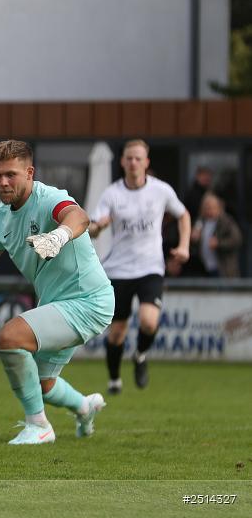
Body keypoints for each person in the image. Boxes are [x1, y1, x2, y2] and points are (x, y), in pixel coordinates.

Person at [0, 140, 112, 445]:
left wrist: (59, 235)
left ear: (29, 173)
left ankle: (38, 426)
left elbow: (79, 217)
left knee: (10, 337)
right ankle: (84, 407)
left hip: (88, 301)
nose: (3, 182)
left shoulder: (49, 198)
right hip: (59, 304)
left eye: (11, 174)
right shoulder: (1, 217)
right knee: (43, 384)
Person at [88, 139, 190, 394]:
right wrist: (98, 226)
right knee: (117, 332)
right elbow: (93, 229)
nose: (133, 162)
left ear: (146, 162)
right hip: (118, 270)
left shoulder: (161, 190)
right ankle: (114, 380)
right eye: (129, 158)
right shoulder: (112, 193)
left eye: (138, 158)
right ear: (122, 162)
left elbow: (183, 215)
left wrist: (185, 246)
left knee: (149, 321)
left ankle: (141, 356)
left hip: (150, 267)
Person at [191, 193, 242, 278]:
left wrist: (219, 243)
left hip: (223, 269)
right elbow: (194, 244)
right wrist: (194, 238)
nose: (210, 210)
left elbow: (237, 239)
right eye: (207, 208)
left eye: (212, 207)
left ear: (219, 207)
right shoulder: (200, 221)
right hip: (205, 267)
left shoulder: (226, 221)